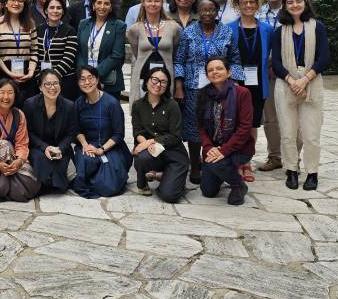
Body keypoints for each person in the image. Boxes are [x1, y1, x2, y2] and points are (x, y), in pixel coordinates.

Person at [174, 0, 244, 184]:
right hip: (193, 88)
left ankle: (216, 161)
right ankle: (195, 164)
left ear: (217, 12)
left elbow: (235, 59)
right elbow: (179, 60)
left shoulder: (227, 32)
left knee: (218, 123)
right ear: (198, 12)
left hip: (221, 87)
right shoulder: (188, 33)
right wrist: (179, 86)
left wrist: (235, 84)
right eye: (203, 10)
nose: (207, 14)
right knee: (195, 126)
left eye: (211, 10)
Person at [272, 0, 330, 191]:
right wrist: (292, 81)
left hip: (312, 83)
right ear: (285, 6)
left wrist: (304, 80)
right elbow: (276, 62)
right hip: (286, 85)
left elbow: (324, 58)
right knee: (288, 133)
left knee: (311, 134)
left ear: (305, 3)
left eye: (298, 1)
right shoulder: (280, 31)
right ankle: (291, 170)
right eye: (290, 2)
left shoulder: (318, 27)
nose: (294, 5)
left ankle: (312, 173)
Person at [227, 0, 274, 184]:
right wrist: (235, 77)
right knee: (237, 123)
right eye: (244, 2)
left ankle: (247, 161)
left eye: (252, 2)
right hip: (236, 83)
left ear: (257, 5)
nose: (248, 5)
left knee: (253, 123)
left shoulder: (267, 29)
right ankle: (236, 162)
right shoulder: (229, 28)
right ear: (237, 5)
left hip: (259, 83)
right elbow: (227, 56)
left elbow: (271, 57)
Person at [196, 57, 253, 205]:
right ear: (207, 75)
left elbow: (245, 128)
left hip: (238, 148)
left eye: (219, 68)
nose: (214, 72)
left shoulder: (242, 93)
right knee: (208, 191)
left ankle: (238, 185)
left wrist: (224, 151)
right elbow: (200, 126)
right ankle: (225, 171)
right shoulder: (203, 94)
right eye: (210, 70)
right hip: (214, 148)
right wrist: (209, 148)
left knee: (217, 164)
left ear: (229, 72)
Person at [131, 67, 190, 203]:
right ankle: (143, 182)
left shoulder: (172, 105)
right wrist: (143, 143)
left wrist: (149, 142)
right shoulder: (137, 105)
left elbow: (176, 136)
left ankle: (167, 177)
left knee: (169, 196)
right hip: (152, 152)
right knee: (141, 157)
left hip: (173, 153)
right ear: (146, 81)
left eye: (163, 82)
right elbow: (137, 131)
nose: (158, 84)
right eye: (155, 80)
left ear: (167, 86)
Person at [72, 65, 131, 198]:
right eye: (82, 79)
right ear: (78, 83)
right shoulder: (79, 103)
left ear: (97, 79)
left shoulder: (111, 103)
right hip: (89, 145)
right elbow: (76, 129)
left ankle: (99, 179)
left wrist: (101, 149)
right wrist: (85, 145)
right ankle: (94, 177)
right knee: (86, 161)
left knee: (109, 187)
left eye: (90, 78)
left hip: (111, 146)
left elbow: (118, 134)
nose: (87, 82)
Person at [0, 79, 39, 202]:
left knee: (32, 183)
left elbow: (22, 143)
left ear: (15, 95)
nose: (6, 97)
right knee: (4, 145)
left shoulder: (19, 114)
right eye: (2, 92)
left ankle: (7, 187)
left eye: (10, 93)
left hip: (13, 158)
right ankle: (5, 187)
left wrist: (19, 161)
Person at [23, 69, 77, 193]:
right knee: (40, 158)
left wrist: (61, 148)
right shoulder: (30, 104)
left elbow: (71, 133)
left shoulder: (69, 106)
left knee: (59, 159)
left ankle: (56, 183)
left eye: (56, 83)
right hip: (38, 146)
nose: (52, 87)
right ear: (41, 87)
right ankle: (46, 184)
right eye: (48, 84)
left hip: (59, 146)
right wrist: (45, 147)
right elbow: (28, 132)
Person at [256, 0, 286, 172]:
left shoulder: (292, 9)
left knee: (292, 117)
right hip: (265, 73)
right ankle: (275, 156)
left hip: (288, 72)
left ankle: (292, 158)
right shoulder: (258, 12)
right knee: (270, 118)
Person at [126, 0, 181, 98]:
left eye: (157, 1)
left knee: (164, 110)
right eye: (149, 1)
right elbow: (137, 54)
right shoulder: (135, 29)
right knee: (142, 110)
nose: (153, 4)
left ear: (162, 4)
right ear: (143, 3)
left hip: (166, 77)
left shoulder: (173, 27)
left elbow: (174, 52)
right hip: (142, 76)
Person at [0, 0, 38, 103]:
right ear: (6, 3)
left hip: (26, 74)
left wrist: (31, 72)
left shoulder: (30, 24)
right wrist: (9, 73)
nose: (16, 3)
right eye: (13, 0)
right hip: (3, 73)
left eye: (20, 1)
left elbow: (35, 51)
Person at [76, 0, 126, 98]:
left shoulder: (119, 26)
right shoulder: (83, 24)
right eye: (99, 3)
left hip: (108, 82)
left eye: (106, 4)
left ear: (111, 7)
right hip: (85, 81)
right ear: (93, 6)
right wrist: (85, 74)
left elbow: (117, 55)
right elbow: (78, 51)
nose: (102, 7)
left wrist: (94, 74)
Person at [35, 0, 79, 99]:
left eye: (59, 8)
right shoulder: (38, 30)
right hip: (42, 81)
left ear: (63, 11)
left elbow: (69, 57)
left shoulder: (70, 30)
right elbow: (35, 54)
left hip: (64, 81)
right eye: (52, 7)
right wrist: (40, 78)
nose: (55, 11)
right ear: (46, 10)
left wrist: (52, 79)